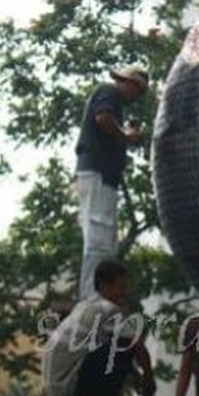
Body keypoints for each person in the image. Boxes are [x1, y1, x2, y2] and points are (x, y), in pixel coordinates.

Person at [74, 64, 149, 299]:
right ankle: (90, 297)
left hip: (105, 177)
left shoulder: (116, 103)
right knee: (98, 238)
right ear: (129, 83)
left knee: (106, 241)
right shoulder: (108, 91)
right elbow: (103, 118)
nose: (137, 96)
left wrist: (124, 135)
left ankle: (99, 295)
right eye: (138, 90)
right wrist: (125, 135)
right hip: (97, 172)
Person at [42, 259, 155, 396]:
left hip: (56, 386)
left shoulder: (85, 305)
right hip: (68, 384)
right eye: (120, 286)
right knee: (125, 345)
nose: (124, 293)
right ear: (103, 285)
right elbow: (137, 347)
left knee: (119, 344)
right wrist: (149, 378)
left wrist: (136, 376)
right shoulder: (108, 309)